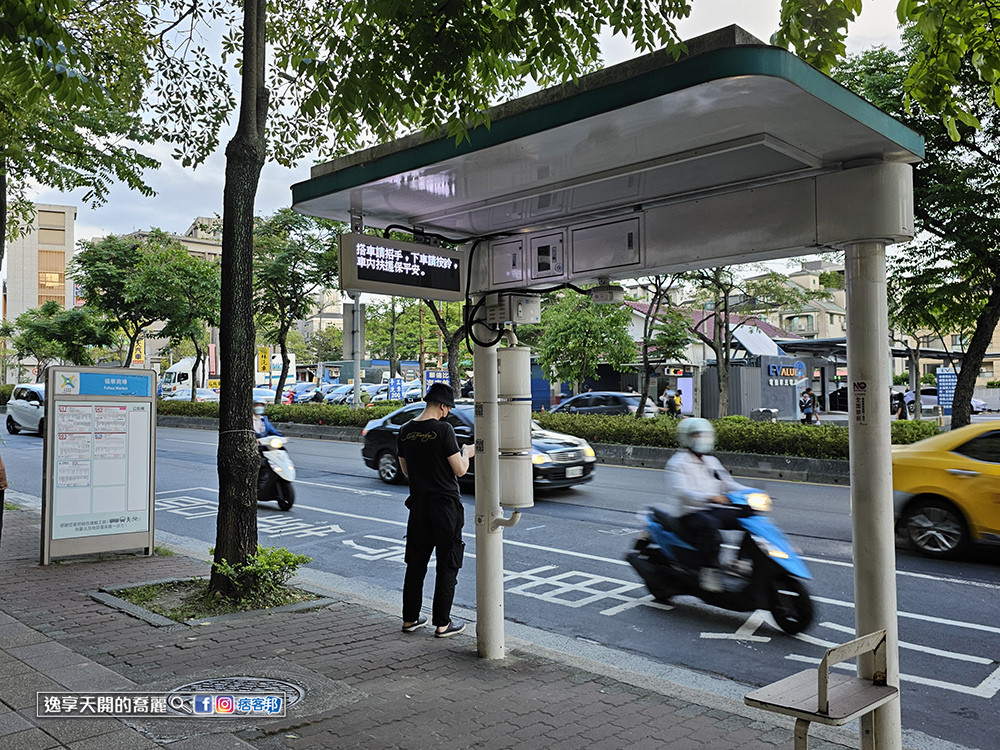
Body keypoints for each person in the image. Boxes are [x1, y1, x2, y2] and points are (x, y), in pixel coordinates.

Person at [398, 382, 474, 638]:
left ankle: (410, 619)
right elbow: (460, 469)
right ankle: (442, 623)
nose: (448, 413)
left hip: (418, 506)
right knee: (447, 563)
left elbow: (406, 470)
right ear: (442, 406)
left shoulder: (405, 430)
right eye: (448, 408)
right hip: (446, 507)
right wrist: (466, 452)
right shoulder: (444, 430)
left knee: (416, 564)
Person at [664, 418, 747, 592]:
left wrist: (750, 493)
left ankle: (740, 562)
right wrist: (711, 497)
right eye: (696, 435)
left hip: (711, 509)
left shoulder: (711, 461)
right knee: (712, 529)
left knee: (749, 516)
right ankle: (708, 571)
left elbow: (729, 483)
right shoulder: (677, 463)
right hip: (689, 515)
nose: (701, 438)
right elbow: (683, 493)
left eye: (703, 434)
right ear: (687, 438)